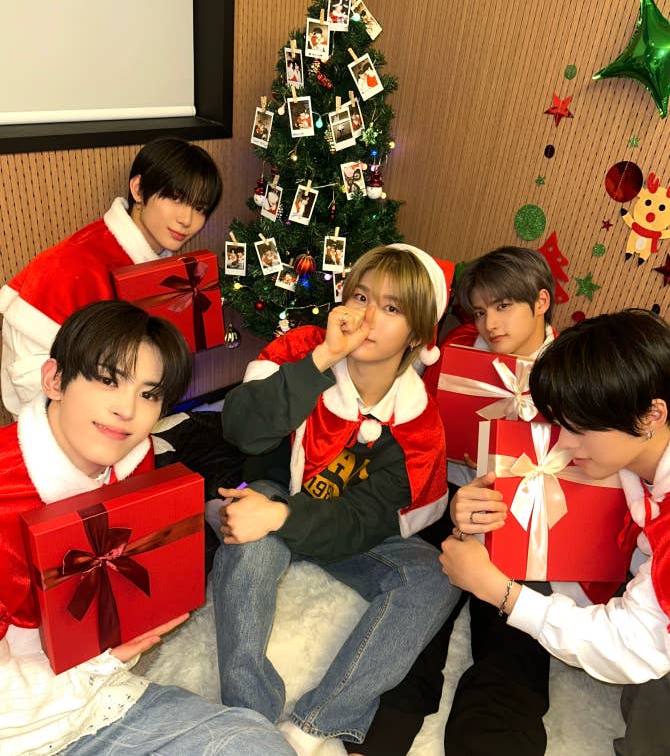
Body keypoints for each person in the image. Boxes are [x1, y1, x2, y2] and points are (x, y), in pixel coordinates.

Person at [0, 300, 295, 756]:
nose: (128, 410)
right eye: (108, 380)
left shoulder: (133, 466)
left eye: (149, 394)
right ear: (54, 379)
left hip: (100, 701)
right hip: (20, 725)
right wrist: (99, 665)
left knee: (256, 743)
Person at [211, 244, 461, 755]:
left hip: (332, 527)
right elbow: (240, 430)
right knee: (245, 529)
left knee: (435, 575)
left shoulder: (416, 423)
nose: (367, 317)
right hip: (275, 494)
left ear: (417, 335)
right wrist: (322, 360)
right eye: (360, 297)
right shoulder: (305, 351)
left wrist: (281, 517)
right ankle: (249, 719)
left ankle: (317, 722)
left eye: (391, 308)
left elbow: (363, 521)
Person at [349, 246, 556, 756]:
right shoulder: (459, 350)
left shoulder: (574, 365)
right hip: (452, 496)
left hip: (528, 514)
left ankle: (494, 740)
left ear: (542, 302)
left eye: (503, 306)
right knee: (421, 601)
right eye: (480, 311)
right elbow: (420, 428)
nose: (490, 324)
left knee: (513, 631)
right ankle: (383, 728)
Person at [441, 308, 670, 756]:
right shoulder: (626, 453)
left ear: (651, 415)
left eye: (579, 429)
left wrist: (501, 592)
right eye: (561, 425)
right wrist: (472, 509)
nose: (564, 443)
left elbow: (636, 645)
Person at [0, 137, 222, 419]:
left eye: (200, 208)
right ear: (138, 189)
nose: (187, 220)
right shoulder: (73, 264)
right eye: (175, 198)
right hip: (62, 421)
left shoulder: (164, 267)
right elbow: (29, 381)